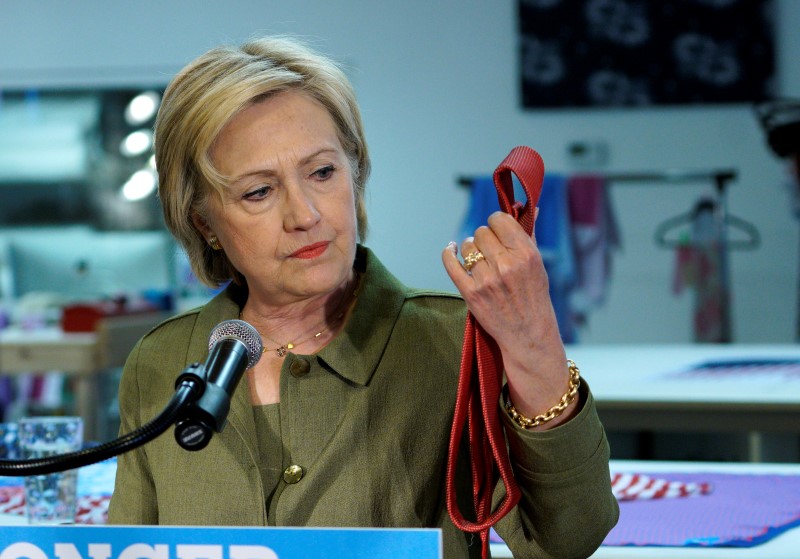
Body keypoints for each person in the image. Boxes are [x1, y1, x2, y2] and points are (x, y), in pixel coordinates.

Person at [107, 36, 619, 558]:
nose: (304, 214)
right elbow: (129, 547)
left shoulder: (454, 340)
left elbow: (568, 540)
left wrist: (533, 342)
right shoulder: (160, 361)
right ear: (204, 222)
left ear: (355, 173)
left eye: (322, 172)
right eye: (258, 191)